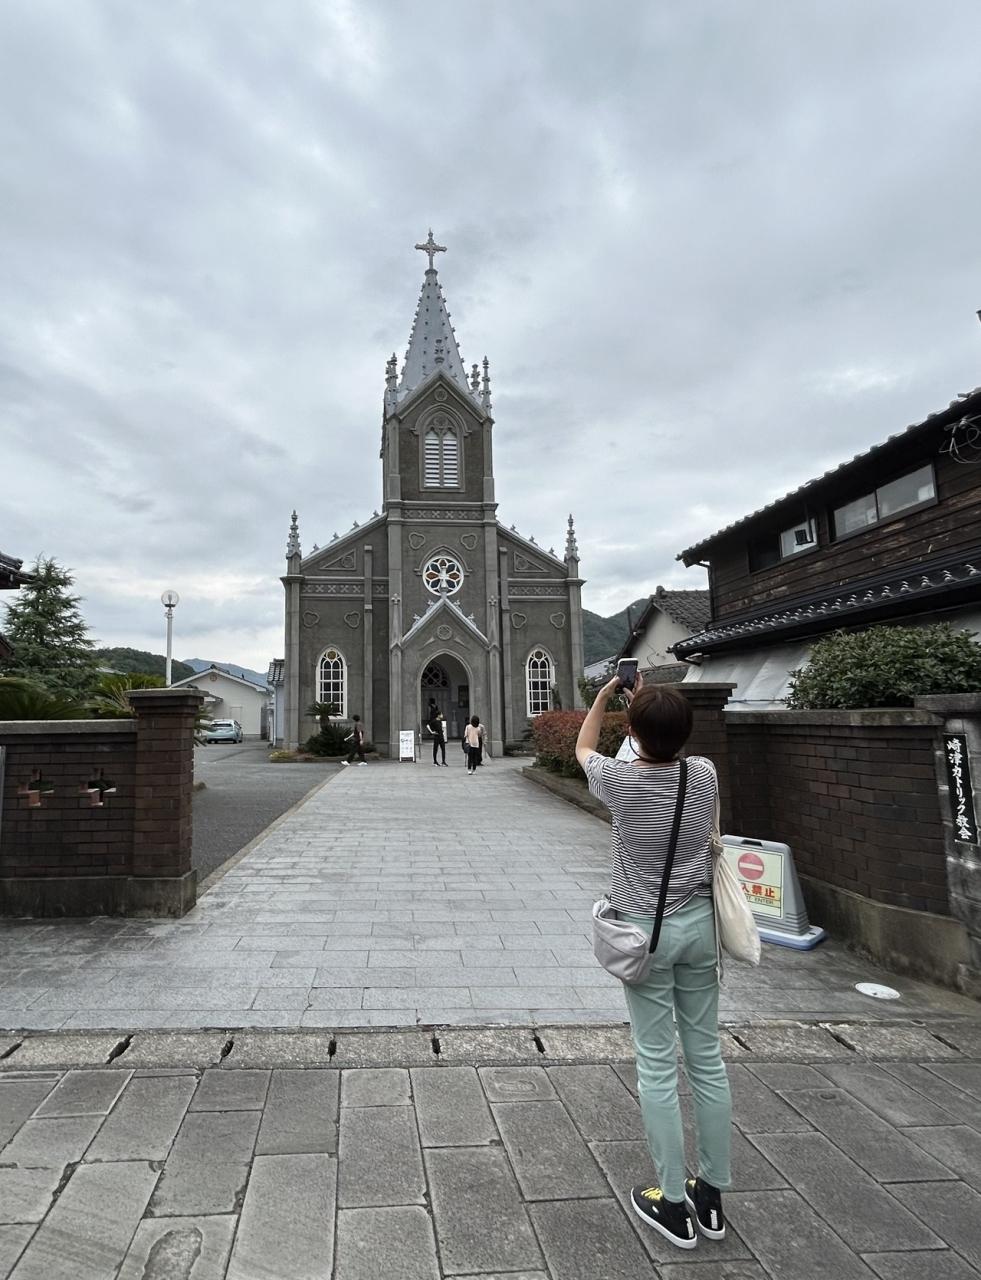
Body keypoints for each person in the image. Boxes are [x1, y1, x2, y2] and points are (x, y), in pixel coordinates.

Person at [575, 674, 730, 1251]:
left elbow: (583, 747)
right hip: (700, 930)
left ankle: (670, 1201)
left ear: (634, 733)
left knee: (658, 1065)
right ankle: (710, 1196)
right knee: (707, 1059)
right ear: (686, 731)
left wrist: (605, 697)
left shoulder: (620, 781)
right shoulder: (703, 774)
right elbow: (669, 755)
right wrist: (647, 710)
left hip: (645, 935)